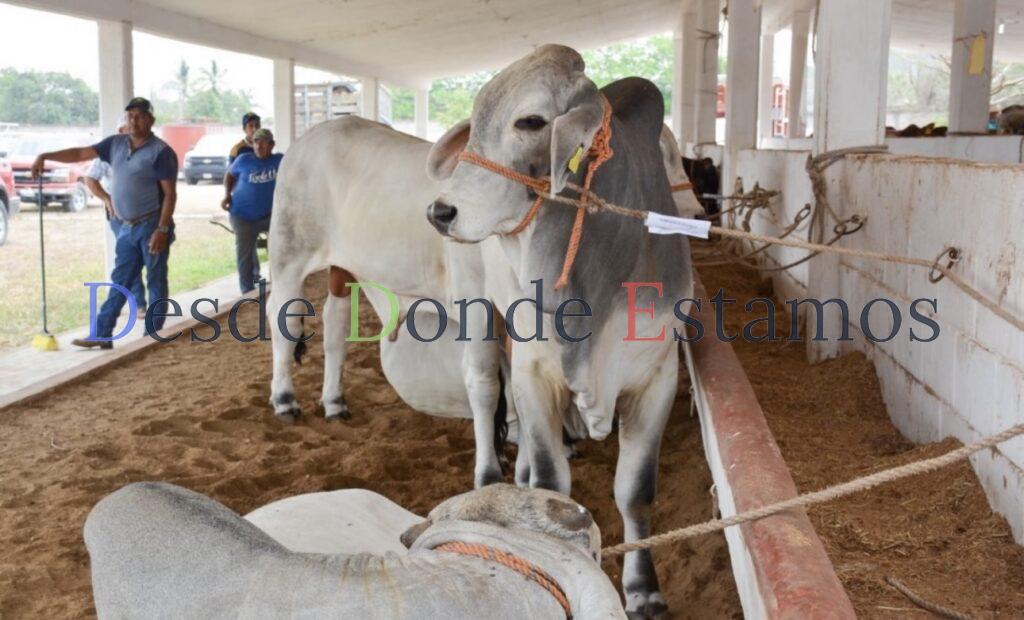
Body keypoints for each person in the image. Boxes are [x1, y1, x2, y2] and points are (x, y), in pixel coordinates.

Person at [32, 97, 178, 349]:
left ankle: (151, 336)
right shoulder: (115, 144)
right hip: (126, 226)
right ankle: (102, 333)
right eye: (130, 116)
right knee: (120, 280)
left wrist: (163, 229)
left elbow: (170, 194)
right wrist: (45, 156)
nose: (134, 120)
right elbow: (80, 153)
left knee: (156, 280)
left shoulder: (161, 152)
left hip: (152, 225)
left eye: (140, 116)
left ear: (151, 120)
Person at [83, 125, 147, 318]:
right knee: (130, 257)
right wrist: (107, 199)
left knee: (146, 256)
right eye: (129, 128)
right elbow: (90, 178)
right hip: (119, 215)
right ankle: (139, 304)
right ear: (121, 131)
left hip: (146, 214)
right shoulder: (108, 153)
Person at [221, 128, 282, 294]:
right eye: (256, 142)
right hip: (242, 215)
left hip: (269, 215)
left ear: (272, 145)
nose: (259, 146)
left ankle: (280, 282)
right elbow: (229, 175)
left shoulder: (279, 160)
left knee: (281, 246)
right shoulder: (243, 160)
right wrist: (227, 195)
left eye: (264, 142)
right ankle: (247, 290)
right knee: (245, 254)